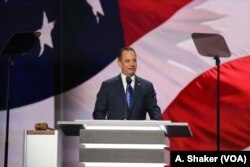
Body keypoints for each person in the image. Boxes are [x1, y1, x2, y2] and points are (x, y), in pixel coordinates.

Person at [93, 47, 162, 120]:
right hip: (115, 131)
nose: (132, 64)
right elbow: (99, 113)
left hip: (138, 131)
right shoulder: (107, 86)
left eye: (134, 60)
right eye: (127, 61)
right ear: (119, 63)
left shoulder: (147, 87)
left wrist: (159, 127)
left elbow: (155, 113)